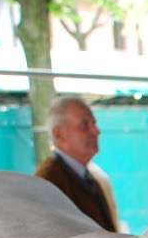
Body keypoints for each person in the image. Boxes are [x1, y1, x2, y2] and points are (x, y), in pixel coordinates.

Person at [34, 95, 117, 231]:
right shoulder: (48, 182)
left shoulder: (91, 177)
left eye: (94, 123)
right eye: (84, 125)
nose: (96, 131)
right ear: (59, 135)